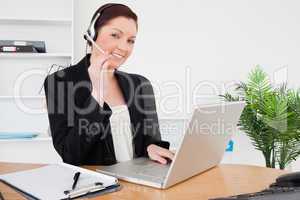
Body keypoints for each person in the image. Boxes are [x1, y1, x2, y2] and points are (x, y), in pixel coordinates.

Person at [44, 3, 174, 166]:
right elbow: (71, 155)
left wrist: (152, 146)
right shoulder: (59, 82)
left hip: (138, 184)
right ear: (92, 34)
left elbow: (151, 138)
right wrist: (97, 93)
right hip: (96, 186)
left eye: (130, 40)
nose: (124, 47)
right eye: (115, 35)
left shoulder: (140, 84)